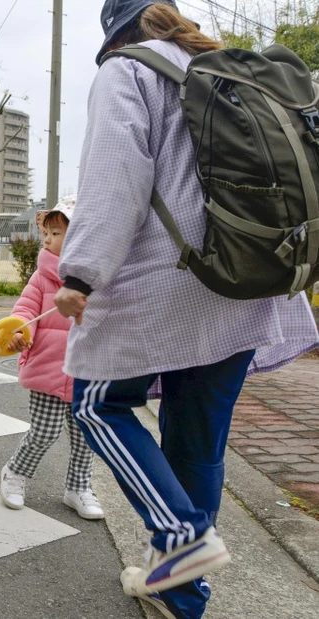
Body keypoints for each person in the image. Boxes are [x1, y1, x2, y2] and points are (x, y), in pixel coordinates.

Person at [53, 2, 319, 617]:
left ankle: (181, 537)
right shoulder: (225, 66)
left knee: (99, 404)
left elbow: (114, 184)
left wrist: (80, 274)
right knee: (197, 443)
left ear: (115, 30)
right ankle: (182, 594)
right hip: (250, 278)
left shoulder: (128, 72)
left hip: (167, 286)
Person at [0, 196, 104, 520]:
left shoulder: (100, 278)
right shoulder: (42, 277)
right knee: (44, 432)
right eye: (47, 233)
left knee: (87, 436)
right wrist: (18, 333)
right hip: (48, 367)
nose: (47, 239)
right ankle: (14, 473)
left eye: (56, 233)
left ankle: (78, 487)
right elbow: (25, 309)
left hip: (88, 373)